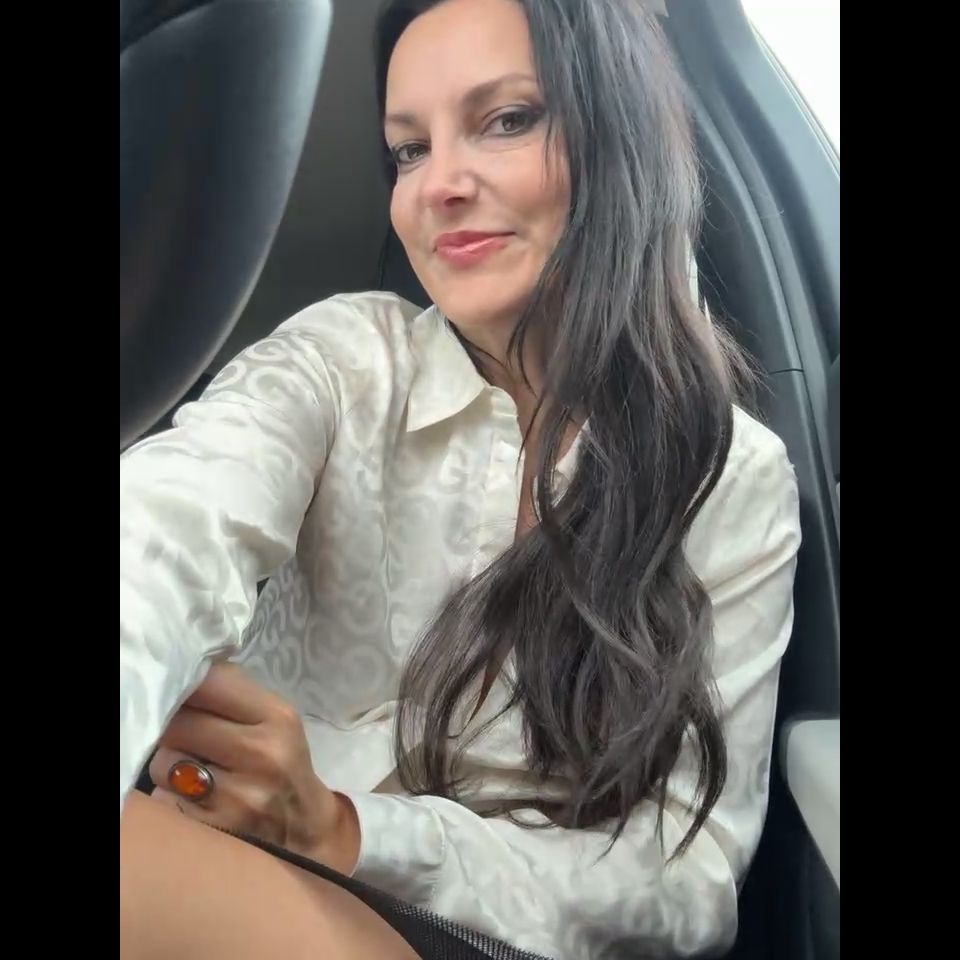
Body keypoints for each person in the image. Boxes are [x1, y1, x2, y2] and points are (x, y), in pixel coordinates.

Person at [118, 0, 802, 957]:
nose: (438, 185)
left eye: (506, 119)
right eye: (408, 149)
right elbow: (163, 531)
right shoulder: (342, 358)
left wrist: (346, 830)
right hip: (238, 870)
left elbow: (689, 881)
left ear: (618, 142)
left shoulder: (729, 474)